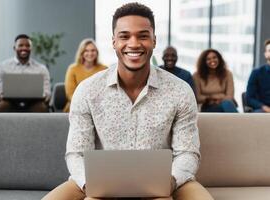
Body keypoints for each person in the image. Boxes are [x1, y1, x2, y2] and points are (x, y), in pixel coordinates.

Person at [43, 3, 213, 200]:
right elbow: (76, 153)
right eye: (124, 36)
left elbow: (188, 153)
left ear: (154, 41)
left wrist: (170, 181)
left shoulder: (180, 91)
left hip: (164, 183)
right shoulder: (88, 91)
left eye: (143, 36)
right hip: (101, 183)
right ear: (114, 41)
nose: (134, 44)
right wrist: (90, 184)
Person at [0, 34, 51, 112]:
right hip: (10, 102)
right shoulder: (3, 67)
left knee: (42, 108)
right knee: (2, 107)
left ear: (31, 48)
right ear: (14, 48)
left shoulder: (41, 69)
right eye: (20, 45)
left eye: (27, 46)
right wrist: (0, 96)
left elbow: (47, 92)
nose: (24, 48)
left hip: (34, 103)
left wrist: (44, 96)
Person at [64, 38, 106, 112]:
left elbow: (106, 91)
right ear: (81, 53)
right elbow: (70, 94)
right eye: (86, 51)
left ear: (97, 52)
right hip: (76, 105)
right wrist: (84, 105)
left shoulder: (104, 69)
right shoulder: (73, 69)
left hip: (99, 106)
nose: (90, 53)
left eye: (93, 50)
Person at [246, 39, 270, 113]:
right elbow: (249, 98)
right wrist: (265, 108)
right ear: (266, 54)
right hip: (263, 109)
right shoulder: (256, 73)